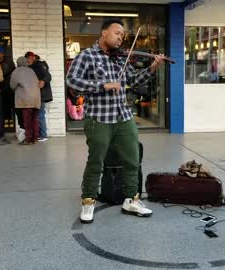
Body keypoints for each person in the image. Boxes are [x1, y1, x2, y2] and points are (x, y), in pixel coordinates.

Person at [66, 18, 165, 224]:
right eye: (117, 33)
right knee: (96, 162)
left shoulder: (120, 58)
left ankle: (132, 200)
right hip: (99, 118)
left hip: (123, 117)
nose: (120, 37)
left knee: (131, 160)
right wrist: (104, 85)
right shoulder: (87, 56)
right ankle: (88, 201)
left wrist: (152, 68)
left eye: (122, 35)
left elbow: (133, 80)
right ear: (103, 33)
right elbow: (72, 81)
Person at [9, 57, 41, 145]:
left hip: (25, 100)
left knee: (27, 121)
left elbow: (12, 85)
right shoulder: (31, 71)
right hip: (36, 98)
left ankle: (28, 139)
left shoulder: (16, 71)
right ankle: (35, 137)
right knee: (34, 119)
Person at [25, 51, 52, 142]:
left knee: (40, 114)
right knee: (37, 114)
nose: (27, 62)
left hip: (42, 94)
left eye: (28, 59)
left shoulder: (40, 65)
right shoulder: (31, 67)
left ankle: (43, 135)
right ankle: (39, 134)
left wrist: (43, 81)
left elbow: (48, 76)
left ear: (32, 57)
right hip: (36, 94)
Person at [0, 46, 17, 128]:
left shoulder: (8, 62)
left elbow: (3, 72)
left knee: (11, 109)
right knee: (0, 110)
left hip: (8, 89)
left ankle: (12, 126)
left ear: (2, 53)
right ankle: (2, 127)